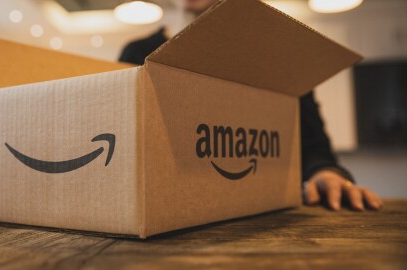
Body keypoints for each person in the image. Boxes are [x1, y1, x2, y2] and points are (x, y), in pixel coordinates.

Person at [119, 0, 383, 211]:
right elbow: (122, 144)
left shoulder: (274, 53)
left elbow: (314, 145)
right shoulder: (135, 54)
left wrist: (326, 172)